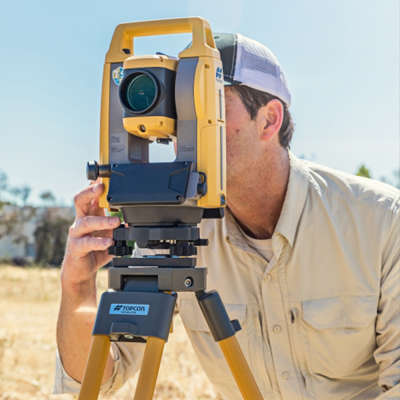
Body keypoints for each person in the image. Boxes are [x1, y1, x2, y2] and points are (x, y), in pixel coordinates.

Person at [54, 33, 400, 399]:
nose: (184, 129)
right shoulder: (172, 233)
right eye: (179, 109)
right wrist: (77, 289)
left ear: (269, 120)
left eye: (206, 104)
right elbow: (101, 377)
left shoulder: (381, 222)